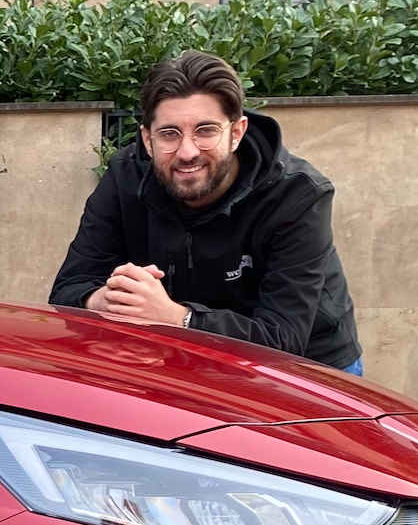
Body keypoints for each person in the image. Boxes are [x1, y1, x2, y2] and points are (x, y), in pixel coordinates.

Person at [49, 51, 362, 374]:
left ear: (236, 132)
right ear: (147, 140)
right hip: (176, 359)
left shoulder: (297, 194)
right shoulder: (124, 178)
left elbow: (283, 337)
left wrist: (177, 318)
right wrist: (105, 300)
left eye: (206, 130)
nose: (187, 152)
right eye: (169, 134)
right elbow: (66, 291)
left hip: (306, 368)